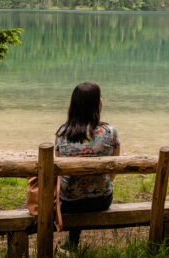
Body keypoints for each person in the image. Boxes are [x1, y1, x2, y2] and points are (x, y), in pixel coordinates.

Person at [54, 81, 120, 250]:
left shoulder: (62, 133)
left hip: (68, 202)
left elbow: (59, 174)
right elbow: (114, 171)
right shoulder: (110, 132)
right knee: (94, 187)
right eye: (101, 97)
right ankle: (71, 244)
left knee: (74, 189)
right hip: (101, 200)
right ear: (97, 103)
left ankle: (72, 244)